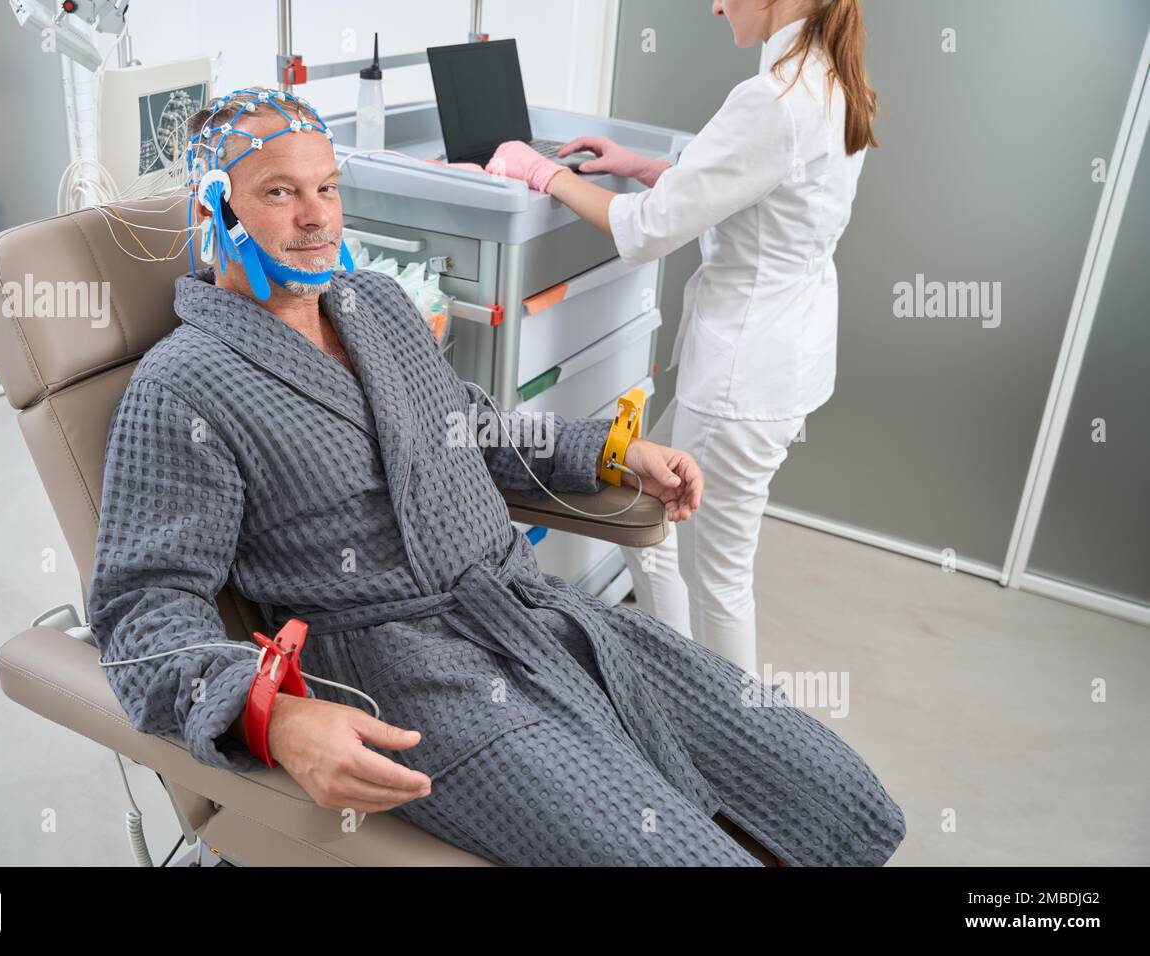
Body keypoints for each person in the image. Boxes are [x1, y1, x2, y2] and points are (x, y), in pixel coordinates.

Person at [87, 86, 905, 866]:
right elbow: (141, 605)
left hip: (538, 619)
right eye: (279, 193)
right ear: (215, 209)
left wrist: (607, 450)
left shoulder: (373, 304)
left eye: (328, 188)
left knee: (833, 794)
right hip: (411, 682)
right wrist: (273, 716)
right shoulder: (184, 384)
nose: (316, 217)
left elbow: (468, 423)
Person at [486, 0, 877, 676]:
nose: (716, 4)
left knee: (718, 574)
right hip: (782, 353)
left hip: (743, 378)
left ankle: (741, 741)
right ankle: (673, 675)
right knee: (644, 510)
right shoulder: (827, 78)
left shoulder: (774, 98)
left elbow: (648, 230)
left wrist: (541, 172)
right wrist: (639, 166)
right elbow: (744, 192)